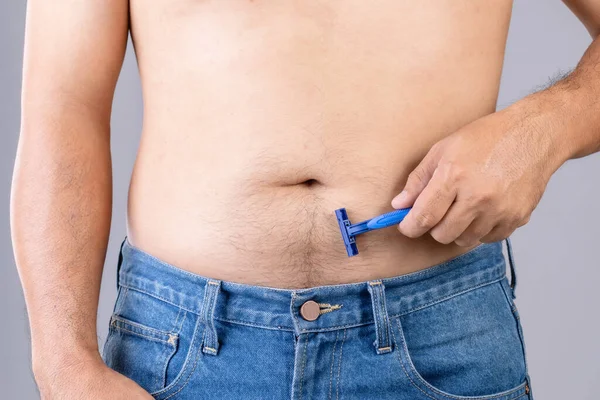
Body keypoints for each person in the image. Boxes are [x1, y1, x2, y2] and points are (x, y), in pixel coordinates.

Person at [11, 1, 600, 399]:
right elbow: (63, 106)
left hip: (438, 339)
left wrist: (546, 126)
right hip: (179, 351)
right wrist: (64, 365)